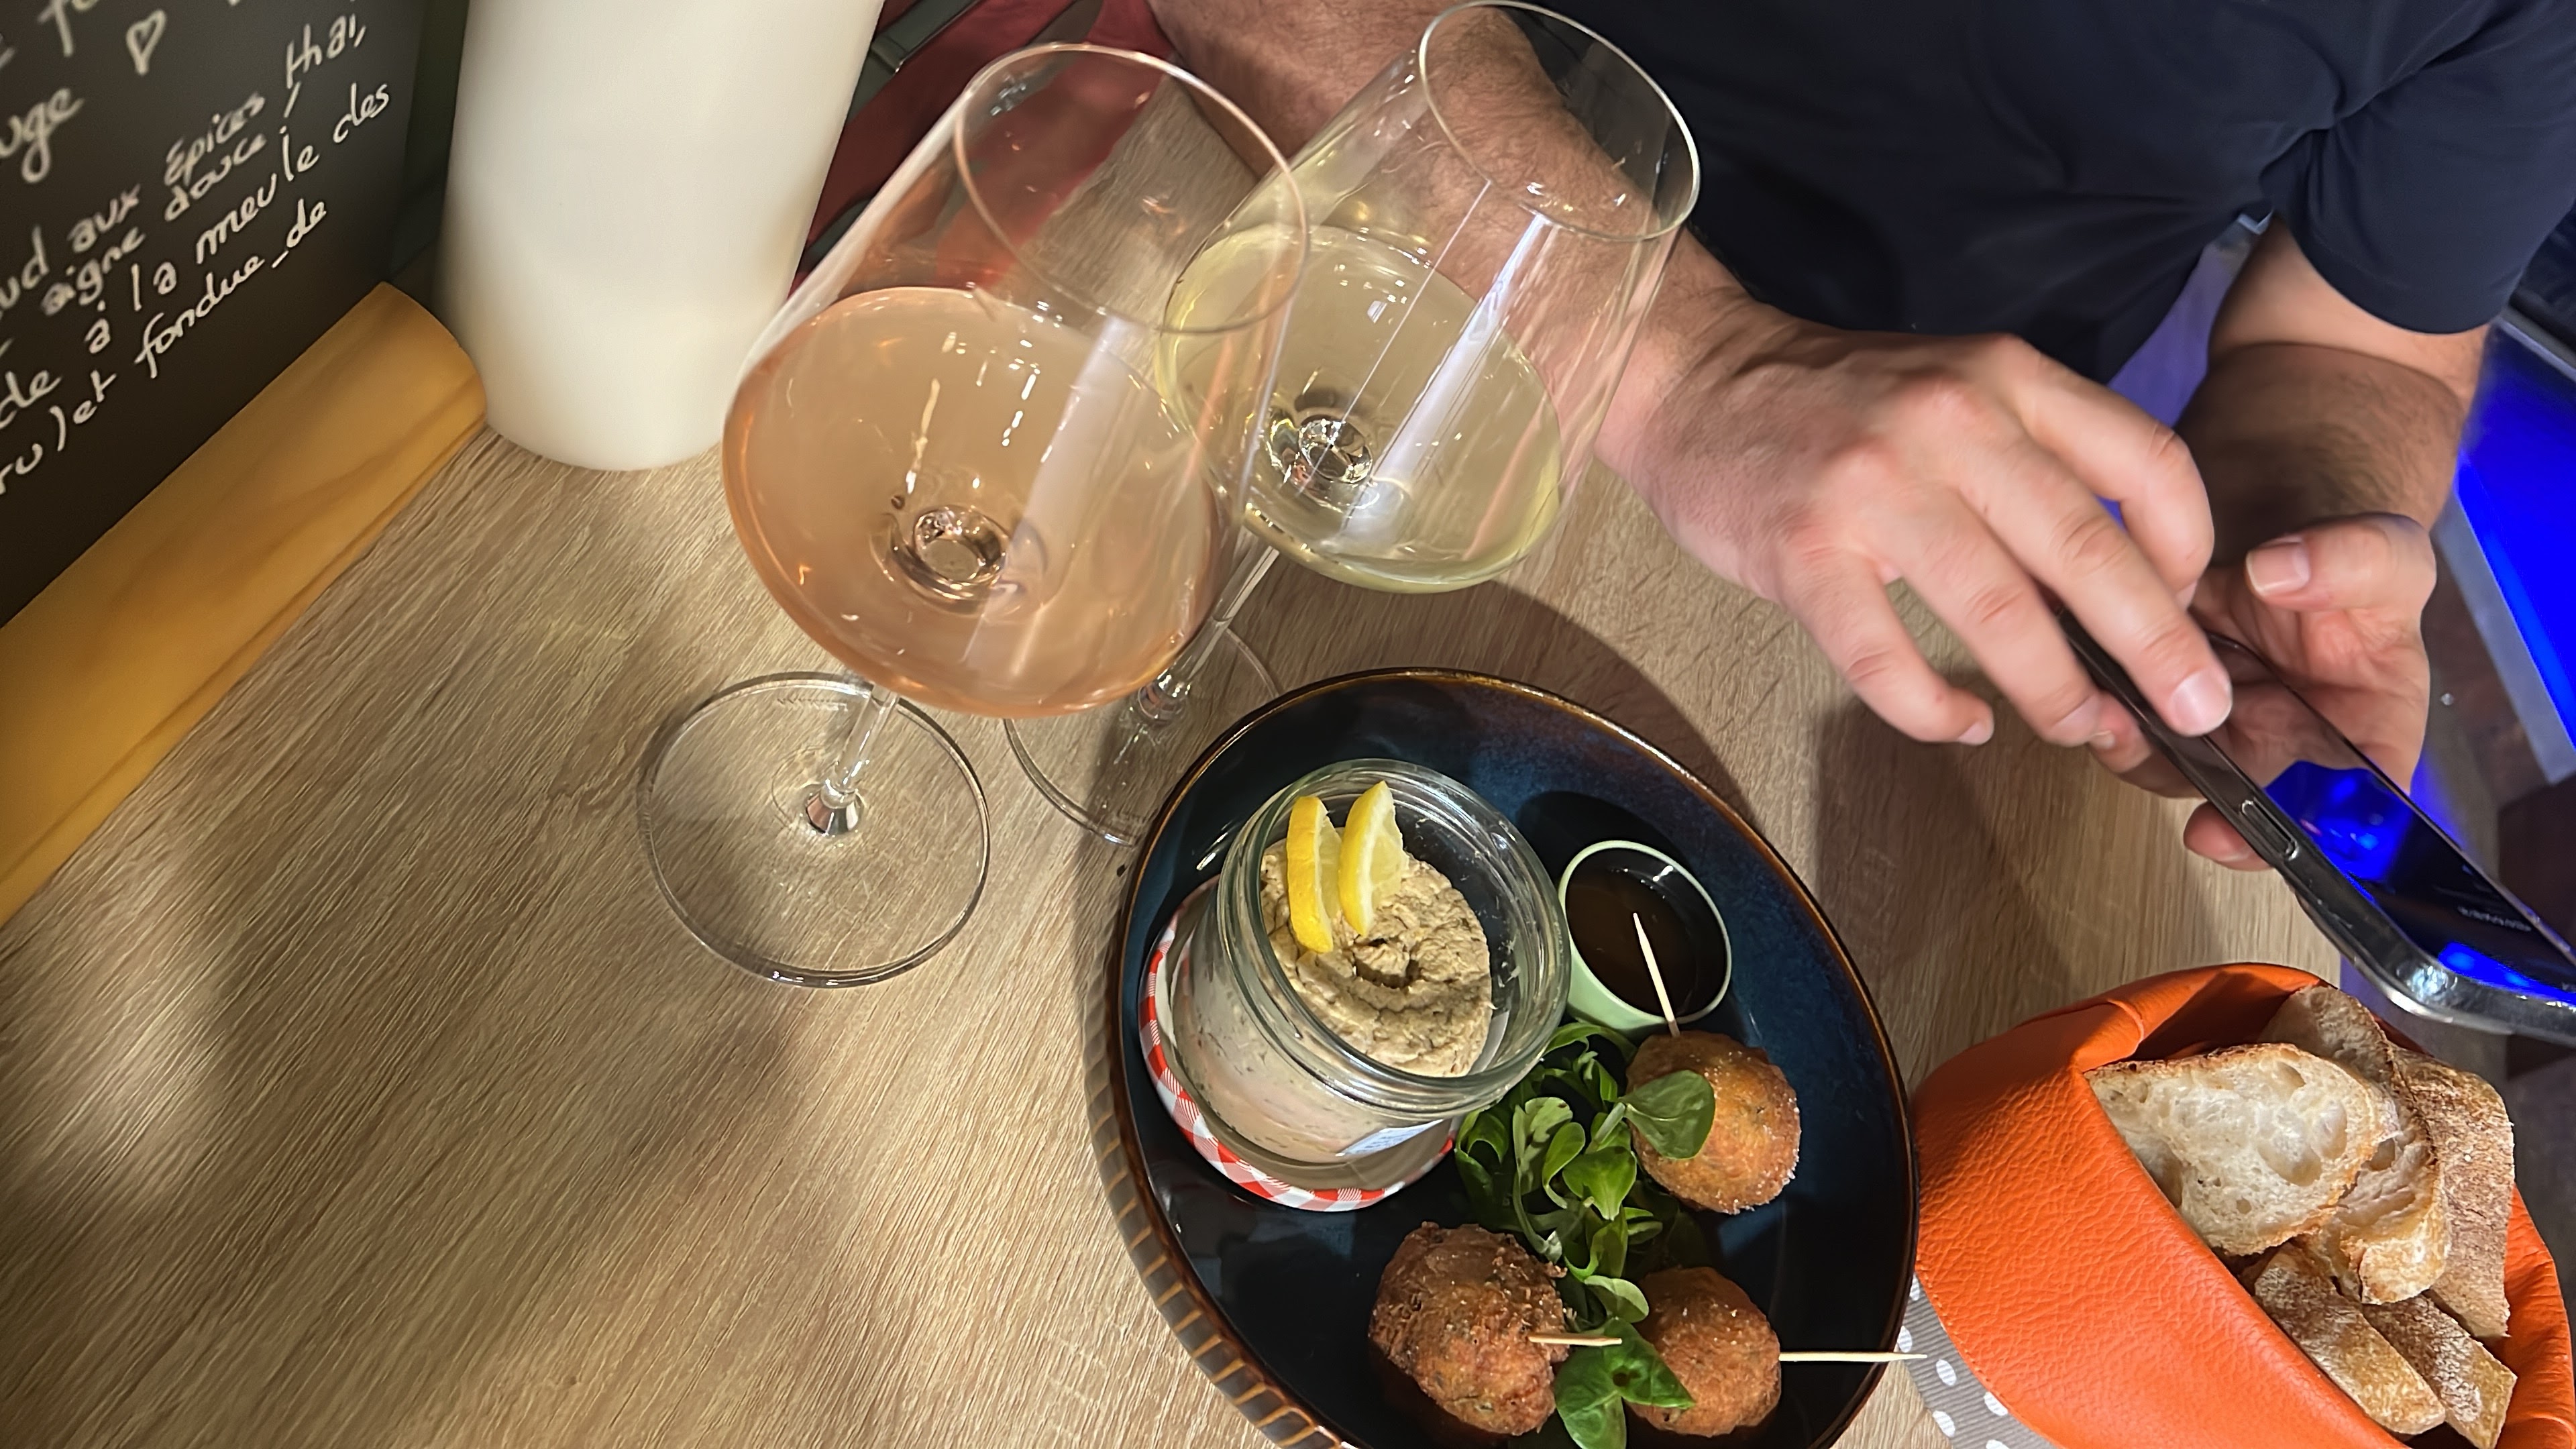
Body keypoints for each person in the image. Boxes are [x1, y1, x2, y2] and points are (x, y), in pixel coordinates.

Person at [1151, 0, 2576, 866]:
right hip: (1369, 242)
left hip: (1891, 562)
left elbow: (2369, 340)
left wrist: (2298, 525)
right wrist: (1693, 365)